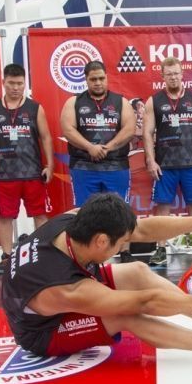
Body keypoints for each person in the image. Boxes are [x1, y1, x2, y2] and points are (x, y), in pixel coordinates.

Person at [1, 193, 192, 361]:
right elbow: (142, 302)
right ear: (101, 241)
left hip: (55, 277)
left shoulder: (75, 220)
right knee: (124, 315)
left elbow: (142, 230)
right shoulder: (65, 289)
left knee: (137, 271)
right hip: (44, 332)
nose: (123, 247)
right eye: (121, 244)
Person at [0, 63, 54, 275]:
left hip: (32, 172)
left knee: (39, 214)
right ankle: (6, 257)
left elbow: (46, 137)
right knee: (5, 217)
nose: (15, 87)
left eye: (20, 83)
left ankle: (42, 254)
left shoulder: (35, 108)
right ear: (3, 82)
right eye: (11, 83)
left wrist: (49, 165)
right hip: (4, 174)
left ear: (24, 83)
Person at [60, 61, 137, 262]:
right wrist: (89, 147)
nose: (98, 82)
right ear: (86, 80)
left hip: (116, 166)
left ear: (106, 77)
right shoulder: (73, 102)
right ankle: (84, 256)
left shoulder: (121, 102)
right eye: (93, 79)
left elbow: (129, 129)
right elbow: (68, 129)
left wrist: (107, 147)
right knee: (84, 212)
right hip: (84, 166)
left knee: (122, 210)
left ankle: (125, 252)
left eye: (101, 78)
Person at [144, 57, 192, 266]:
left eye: (176, 73)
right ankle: (160, 249)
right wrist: (151, 161)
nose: (173, 77)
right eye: (169, 74)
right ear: (162, 76)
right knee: (163, 208)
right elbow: (147, 133)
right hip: (164, 165)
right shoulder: (154, 101)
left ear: (182, 74)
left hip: (191, 163)